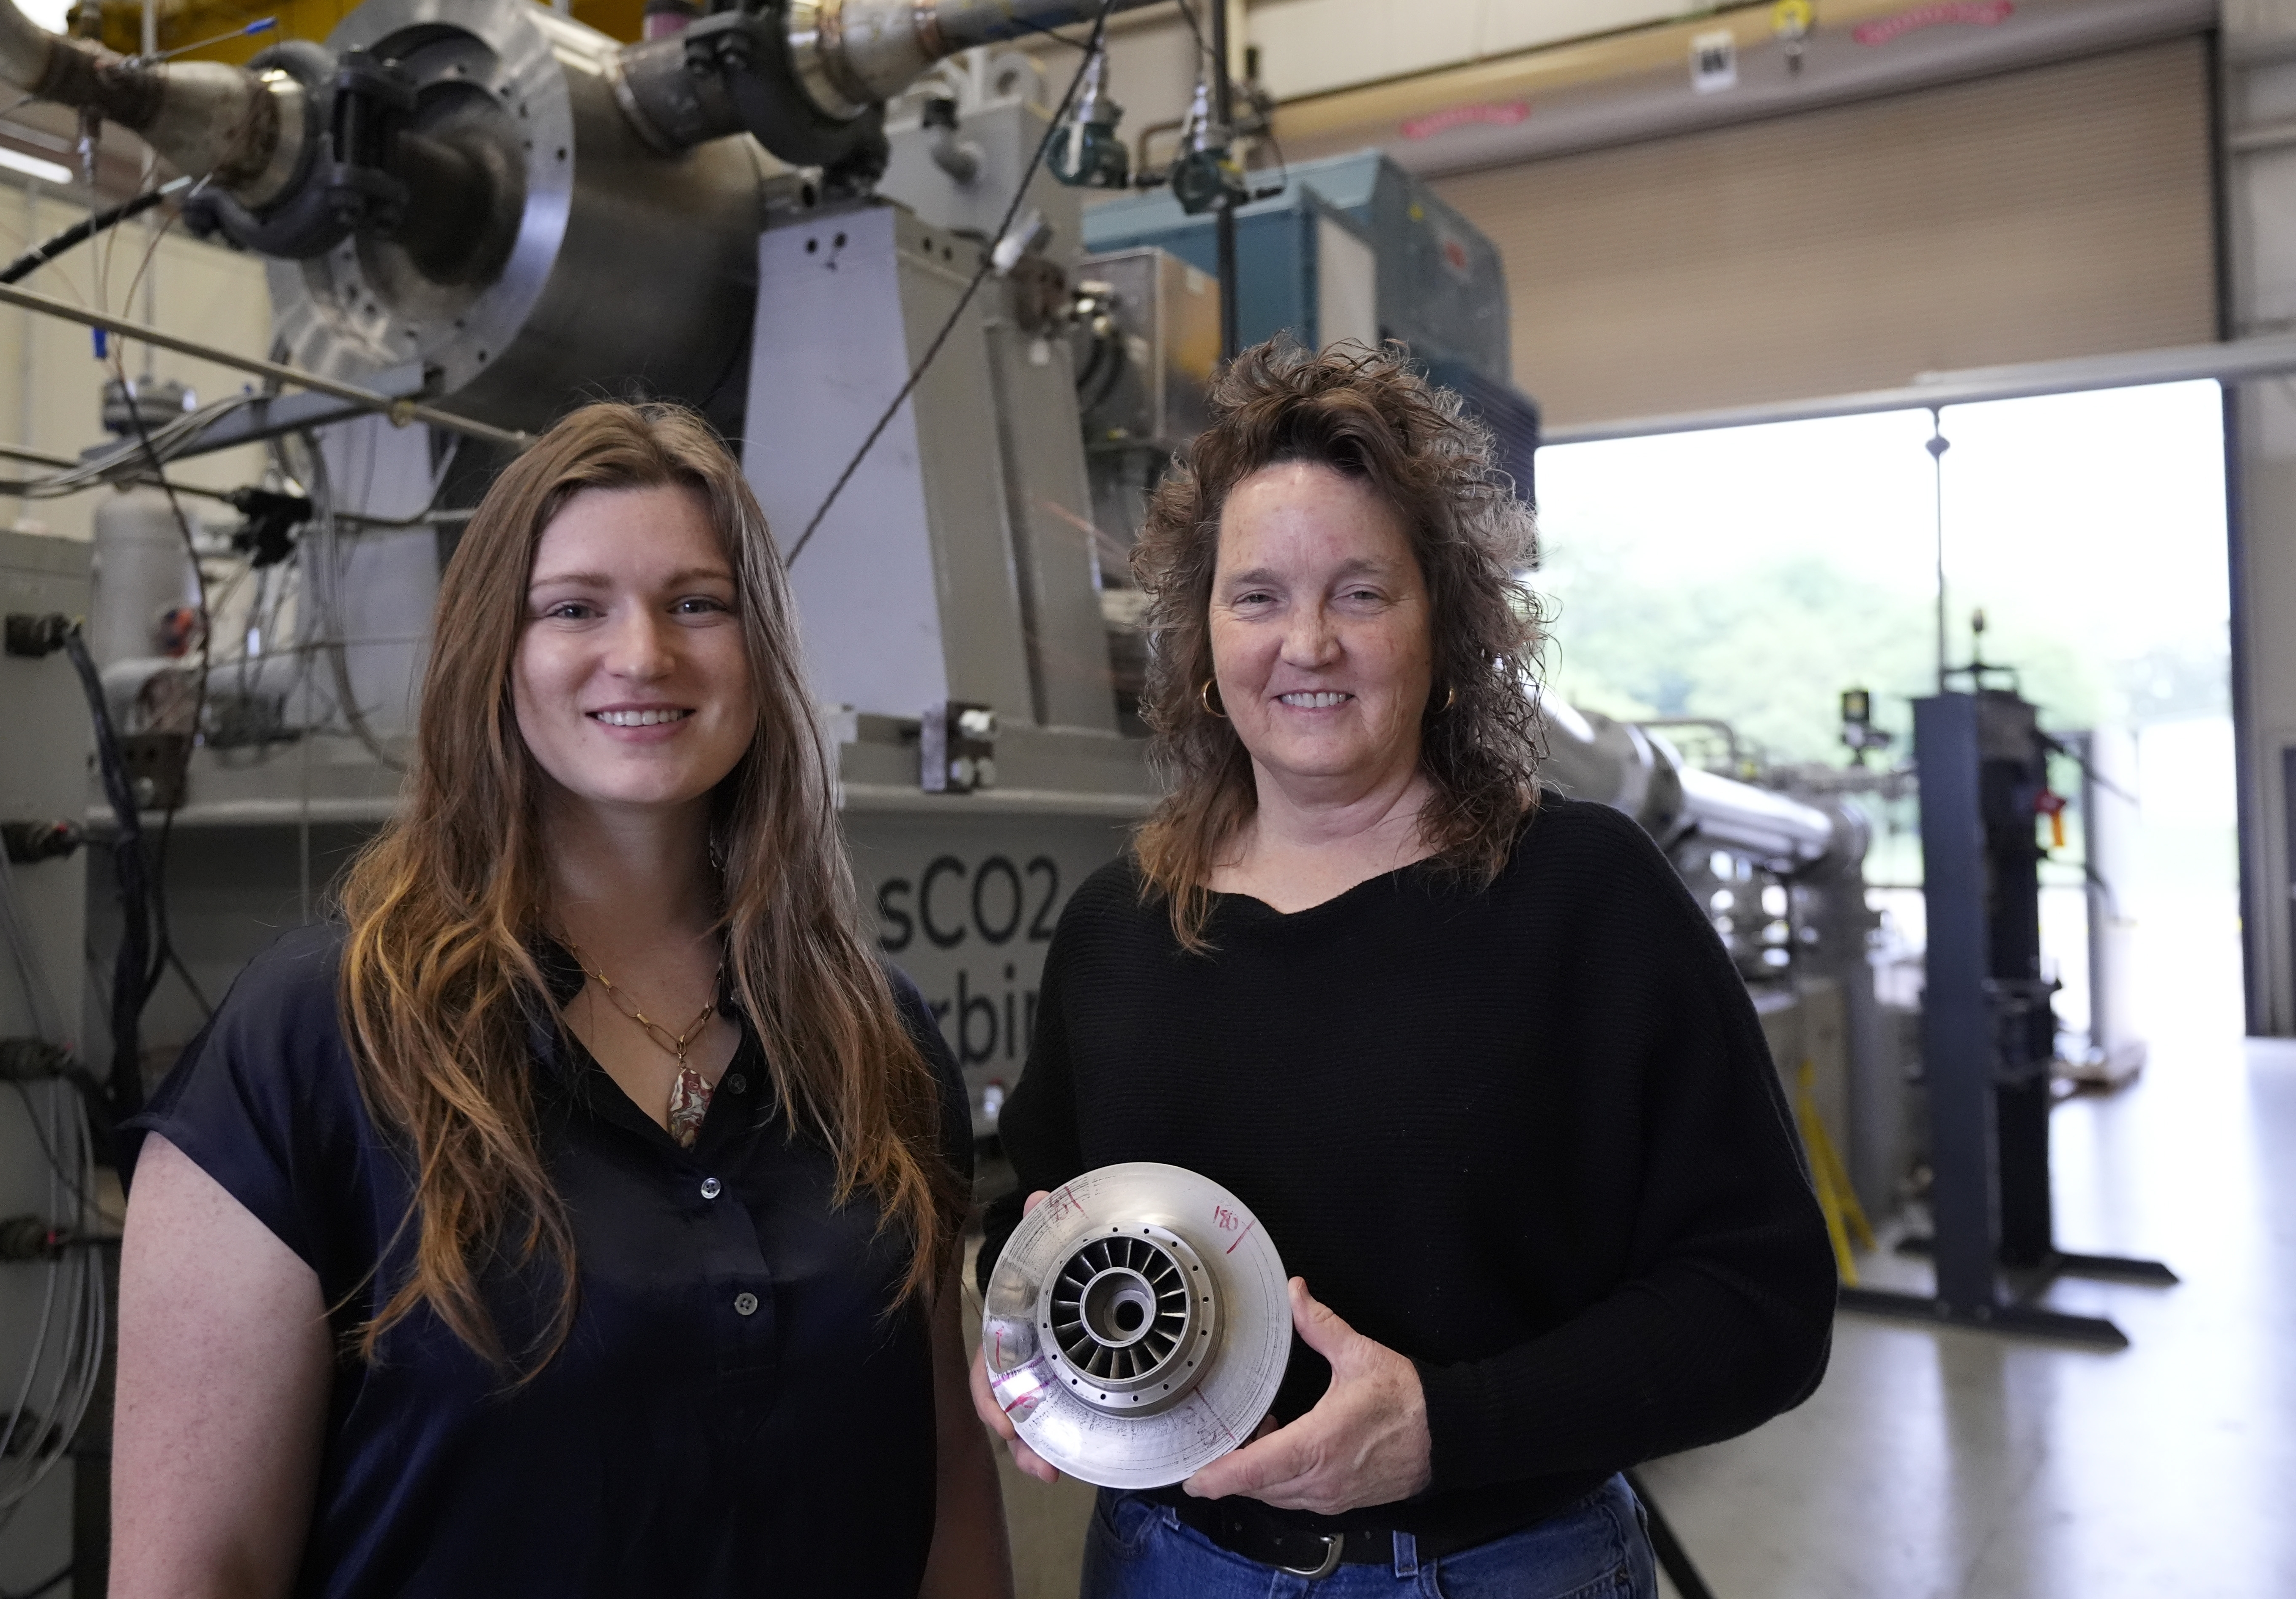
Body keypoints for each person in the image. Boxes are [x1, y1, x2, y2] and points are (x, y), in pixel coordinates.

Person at [972, 341, 1837, 1597]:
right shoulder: (1120, 927)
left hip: (1499, 1569)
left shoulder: (1585, 898)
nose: (1307, 642)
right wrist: (1030, 1356)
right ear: (1202, 629)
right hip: (1166, 1566)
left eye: (1362, 593)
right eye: (1257, 595)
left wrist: (1449, 1421)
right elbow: (1040, 1220)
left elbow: (1761, 1304)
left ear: (1447, 617)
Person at [113, 401, 1010, 1598]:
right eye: (575, 606)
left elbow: (946, 1477)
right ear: (498, 649)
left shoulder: (873, 1037)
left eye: (698, 602)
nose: (643, 654)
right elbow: (195, 1570)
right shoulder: (323, 1036)